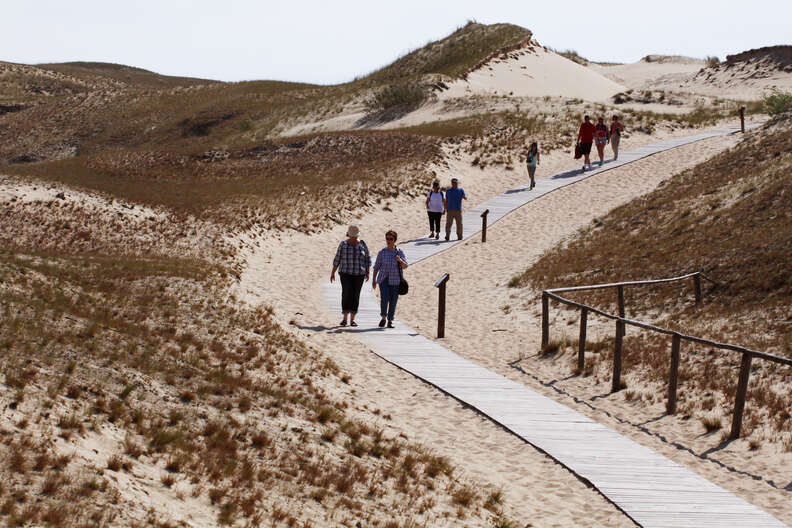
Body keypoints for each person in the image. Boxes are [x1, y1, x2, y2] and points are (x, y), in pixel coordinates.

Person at [330, 225, 370, 327]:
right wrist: (333, 272)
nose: (354, 238)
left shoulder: (362, 244)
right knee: (346, 293)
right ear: (349, 235)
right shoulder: (343, 244)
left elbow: (367, 259)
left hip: (359, 274)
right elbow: (337, 259)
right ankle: (344, 319)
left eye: (355, 236)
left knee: (355, 295)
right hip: (345, 273)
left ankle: (352, 320)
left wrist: (368, 272)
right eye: (352, 236)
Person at [372, 230, 408, 328]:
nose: (388, 241)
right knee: (384, 298)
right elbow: (376, 267)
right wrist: (374, 280)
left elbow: (405, 266)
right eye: (387, 239)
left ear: (394, 240)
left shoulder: (399, 252)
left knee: (393, 300)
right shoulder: (382, 252)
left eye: (390, 239)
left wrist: (400, 260)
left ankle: (390, 320)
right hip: (383, 279)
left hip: (395, 280)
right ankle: (383, 317)